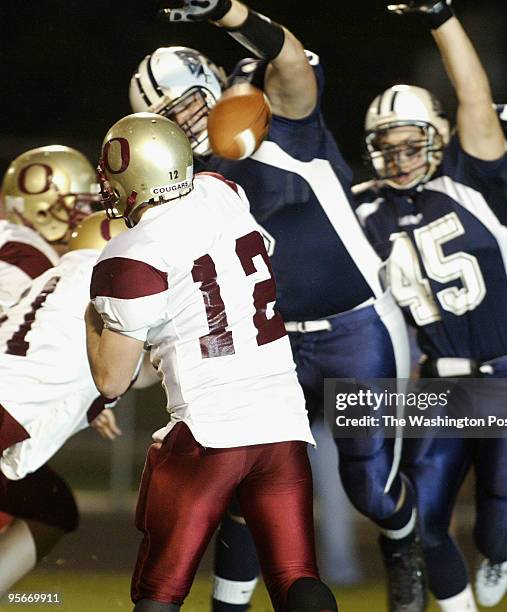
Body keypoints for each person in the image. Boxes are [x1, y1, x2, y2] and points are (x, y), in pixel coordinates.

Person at [130, 3, 422, 611]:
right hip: (271, 344)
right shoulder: (182, 190)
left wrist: (225, 10)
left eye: (190, 100)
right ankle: (228, 605)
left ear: (216, 81)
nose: (188, 118)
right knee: (246, 480)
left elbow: (288, 60)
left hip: (356, 324)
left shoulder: (280, 122)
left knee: (367, 484)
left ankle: (404, 543)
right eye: (170, 116)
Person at [86, 111, 338, 612]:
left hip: (209, 434)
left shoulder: (132, 254)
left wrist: (92, 315)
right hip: (281, 424)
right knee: (296, 578)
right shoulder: (221, 192)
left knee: (159, 592)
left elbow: (112, 379)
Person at [353, 1, 507, 610]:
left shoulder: (474, 181)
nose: (401, 157)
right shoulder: (367, 210)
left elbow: (474, 96)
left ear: (438, 138)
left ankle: (503, 547)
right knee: (425, 523)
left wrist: (441, 17)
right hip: (439, 382)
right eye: (388, 146)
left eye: (413, 143)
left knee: (494, 529)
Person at [0, 210, 128, 595]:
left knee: (51, 506)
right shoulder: (105, 286)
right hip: (9, 408)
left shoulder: (50, 276)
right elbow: (117, 375)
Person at [0, 145, 99, 310]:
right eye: (80, 205)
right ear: (42, 212)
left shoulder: (14, 243)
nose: (87, 215)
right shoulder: (25, 264)